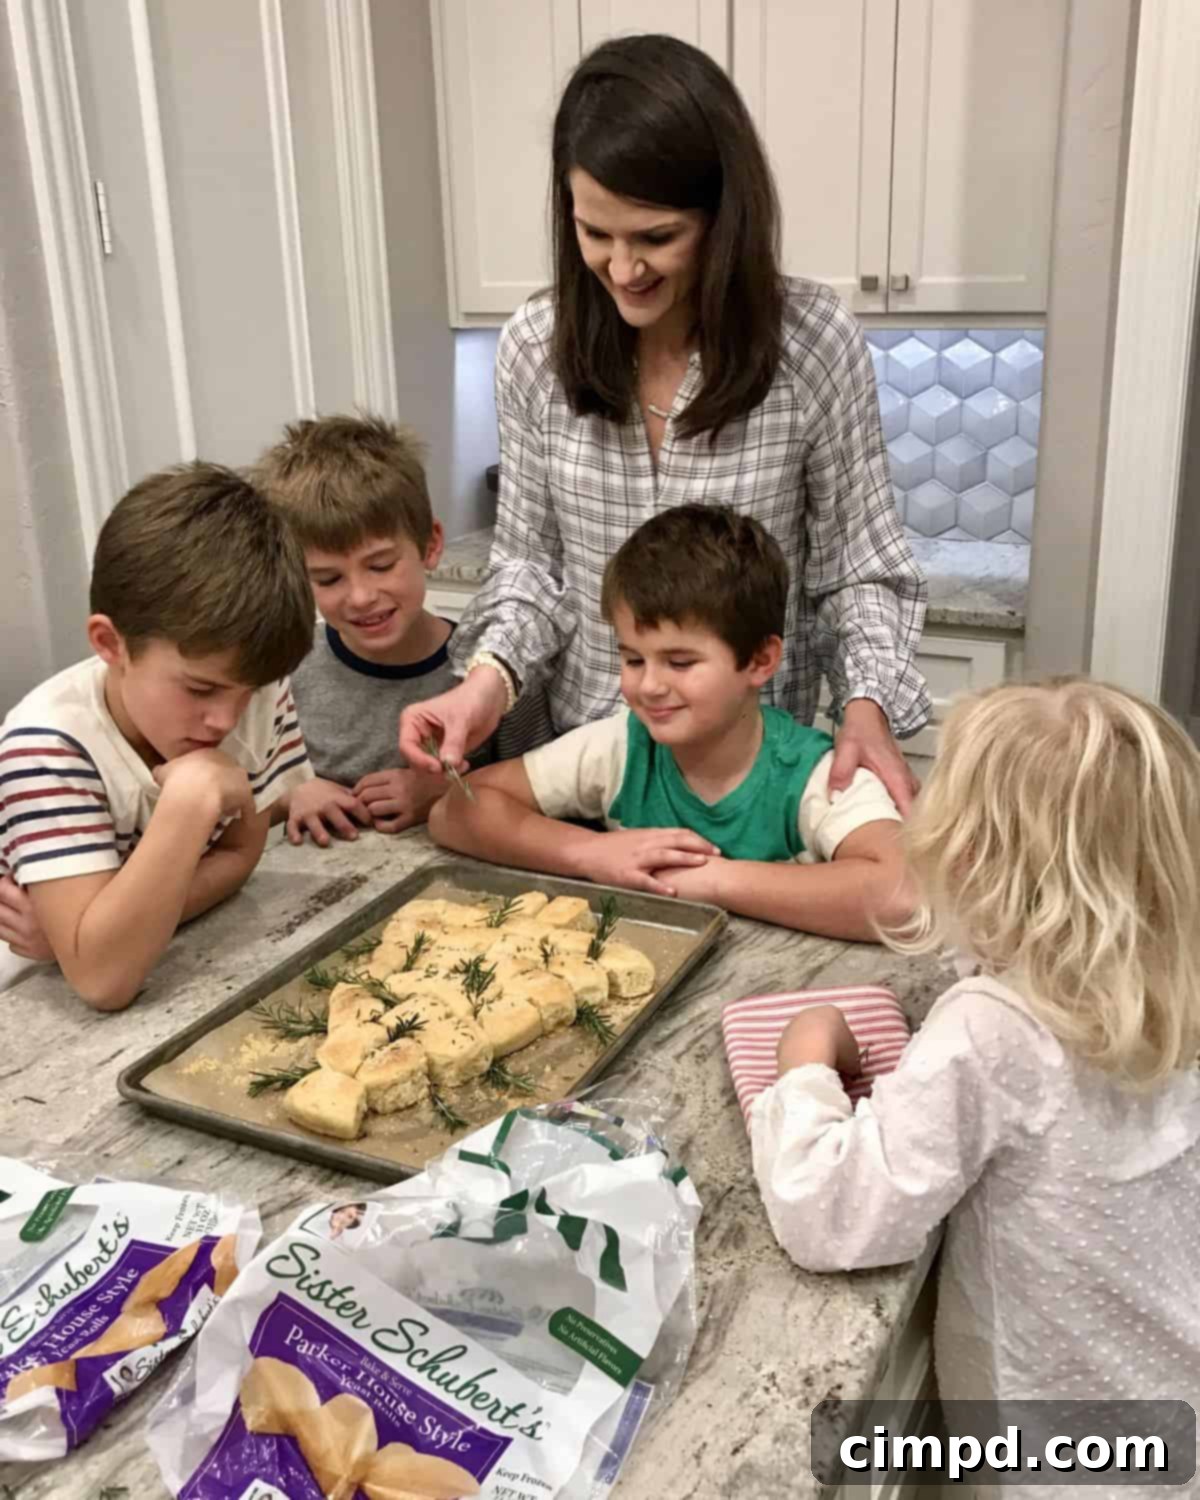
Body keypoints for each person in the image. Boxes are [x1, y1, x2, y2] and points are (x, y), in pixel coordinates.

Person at [402, 32, 928, 814]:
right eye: (594, 234)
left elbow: (858, 569)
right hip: (591, 762)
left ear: (724, 219)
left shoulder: (813, 344)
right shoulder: (533, 350)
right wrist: (486, 686)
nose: (622, 268)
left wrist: (866, 706)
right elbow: (529, 568)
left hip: (754, 776)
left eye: (656, 238)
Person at [751, 680, 1200, 1417]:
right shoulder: (1151, 986)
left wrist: (805, 1063)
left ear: (962, 859)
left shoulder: (993, 1030)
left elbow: (833, 1216)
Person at [430, 507, 909, 941]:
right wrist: (589, 854)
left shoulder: (814, 774)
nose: (650, 686)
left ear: (760, 660)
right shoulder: (619, 746)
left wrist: (707, 880)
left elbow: (906, 895)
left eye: (680, 662)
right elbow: (456, 810)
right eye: (634, 659)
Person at [0, 463, 314, 1009]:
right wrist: (189, 804)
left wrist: (105, 933)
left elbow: (242, 853)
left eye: (248, 691)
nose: (225, 719)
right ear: (110, 643)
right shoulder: (43, 748)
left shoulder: (254, 688)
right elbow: (103, 983)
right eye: (199, 690)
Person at [254, 414, 491, 846]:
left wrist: (447, 789)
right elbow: (230, 792)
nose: (360, 596)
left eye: (380, 566)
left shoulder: (488, 670)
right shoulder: (284, 672)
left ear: (431, 545)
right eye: (328, 579)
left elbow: (548, 783)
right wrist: (291, 795)